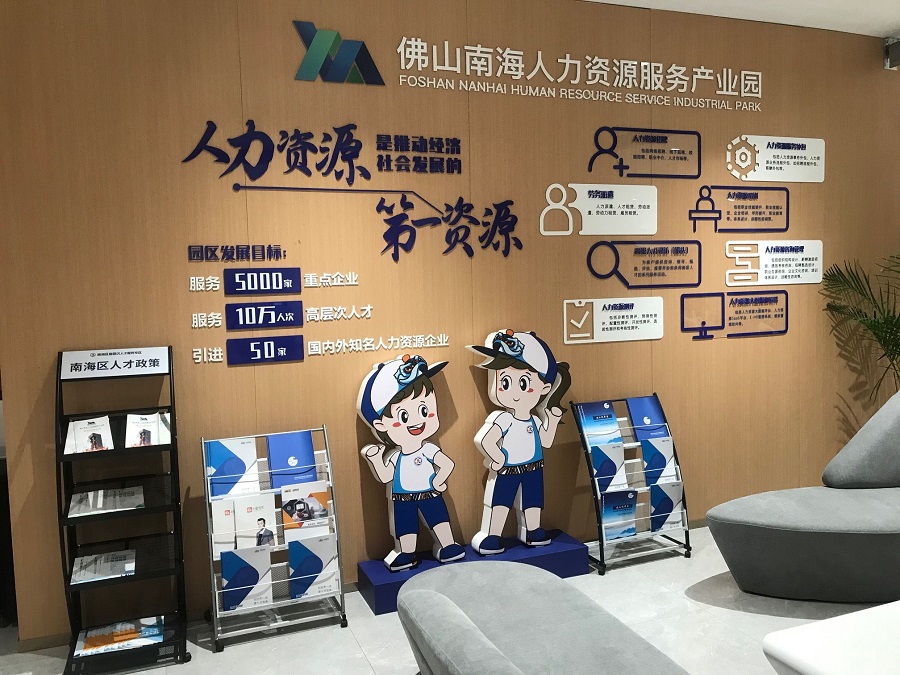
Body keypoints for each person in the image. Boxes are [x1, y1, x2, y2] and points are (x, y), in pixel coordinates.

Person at [358, 354, 466, 572]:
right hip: (402, 498)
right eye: (404, 416)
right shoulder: (395, 456)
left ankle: (447, 545)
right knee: (405, 528)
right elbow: (385, 476)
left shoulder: (428, 449)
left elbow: (447, 464)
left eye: (425, 410)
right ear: (381, 424)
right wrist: (375, 458)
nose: (418, 421)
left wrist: (438, 480)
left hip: (430, 494)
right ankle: (406, 553)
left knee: (439, 521)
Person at [468, 330, 571, 555]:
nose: (514, 392)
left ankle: (532, 530)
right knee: (500, 503)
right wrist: (497, 458)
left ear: (544, 388)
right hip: (508, 470)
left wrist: (553, 421)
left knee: (532, 502)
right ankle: (493, 535)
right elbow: (484, 440)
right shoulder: (503, 418)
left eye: (523, 383)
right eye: (505, 382)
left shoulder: (535, 419)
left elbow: (546, 441)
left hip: (534, 468)